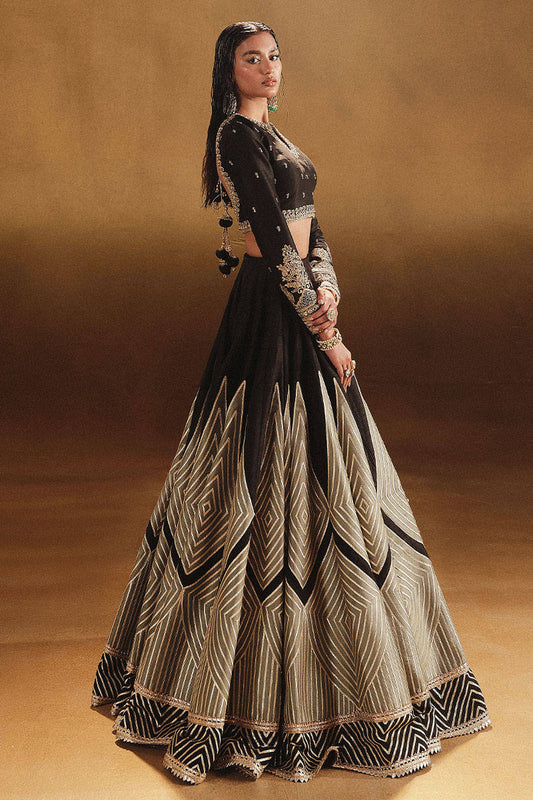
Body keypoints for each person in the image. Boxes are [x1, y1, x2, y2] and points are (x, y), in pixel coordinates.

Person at [90, 20, 491, 785]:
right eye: (253, 59)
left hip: (299, 297)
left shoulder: (277, 137)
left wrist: (329, 285)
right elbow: (274, 241)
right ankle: (234, 692)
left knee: (332, 469)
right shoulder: (234, 136)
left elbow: (312, 228)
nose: (269, 68)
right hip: (268, 312)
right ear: (229, 70)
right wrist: (326, 333)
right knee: (254, 465)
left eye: (274, 56)